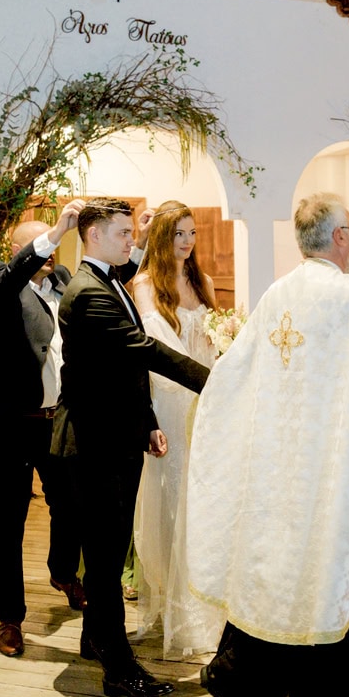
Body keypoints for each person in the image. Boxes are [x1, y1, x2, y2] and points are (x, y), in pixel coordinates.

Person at [185, 193, 349, 697]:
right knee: (336, 573)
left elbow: (230, 378)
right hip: (333, 474)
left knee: (281, 573)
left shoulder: (277, 295)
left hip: (281, 477)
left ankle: (256, 683)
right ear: (340, 238)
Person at [54, 197, 210, 697]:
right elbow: (140, 350)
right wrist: (214, 379)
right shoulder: (88, 292)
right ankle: (120, 671)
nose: (132, 242)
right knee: (103, 557)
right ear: (94, 235)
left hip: (116, 435)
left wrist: (146, 423)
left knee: (106, 552)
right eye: (124, 233)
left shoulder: (108, 281)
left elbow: (122, 371)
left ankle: (93, 640)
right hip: (94, 445)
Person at [0, 199, 87, 658]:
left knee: (71, 506)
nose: (51, 251)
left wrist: (139, 243)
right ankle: (9, 618)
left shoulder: (64, 282)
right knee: (9, 520)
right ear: (17, 250)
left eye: (55, 242)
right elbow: (9, 278)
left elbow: (112, 285)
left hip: (57, 422)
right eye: (41, 244)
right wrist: (57, 229)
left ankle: (63, 572)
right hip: (12, 423)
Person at [131, 200, 223, 658]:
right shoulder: (146, 283)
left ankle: (206, 602)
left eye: (192, 233)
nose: (187, 242)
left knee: (205, 499)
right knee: (173, 499)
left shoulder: (203, 282)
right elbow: (157, 347)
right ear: (162, 238)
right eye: (178, 234)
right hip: (170, 401)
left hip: (209, 403)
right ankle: (175, 608)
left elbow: (216, 340)